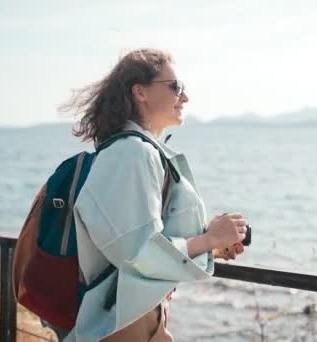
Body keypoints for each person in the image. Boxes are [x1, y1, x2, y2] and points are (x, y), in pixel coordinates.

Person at [59, 48, 249, 342]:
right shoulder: (132, 153)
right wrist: (209, 239)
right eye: (177, 87)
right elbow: (140, 254)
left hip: (132, 314)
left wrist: (210, 246)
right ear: (141, 92)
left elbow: (134, 241)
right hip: (121, 322)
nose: (185, 97)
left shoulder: (134, 151)